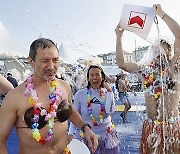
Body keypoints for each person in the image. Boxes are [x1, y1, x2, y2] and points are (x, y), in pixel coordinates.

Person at [0, 38, 98, 154]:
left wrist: (85, 128)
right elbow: (0, 140)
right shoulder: (15, 97)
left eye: (55, 60)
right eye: (45, 61)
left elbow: (70, 111)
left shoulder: (65, 86)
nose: (51, 66)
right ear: (31, 61)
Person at [115, 4, 180, 153]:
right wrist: (119, 38)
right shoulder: (146, 70)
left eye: (162, 49)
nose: (158, 52)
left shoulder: (175, 68)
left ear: (170, 51)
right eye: (155, 49)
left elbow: (179, 35)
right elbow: (122, 64)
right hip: (152, 126)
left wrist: (162, 14)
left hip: (173, 127)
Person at [68, 65, 120, 154]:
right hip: (88, 136)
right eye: (92, 75)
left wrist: (109, 91)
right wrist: (71, 134)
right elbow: (74, 116)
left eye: (97, 75)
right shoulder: (80, 94)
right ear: (88, 78)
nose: (95, 77)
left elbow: (110, 111)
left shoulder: (108, 93)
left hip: (107, 136)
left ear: (102, 77)